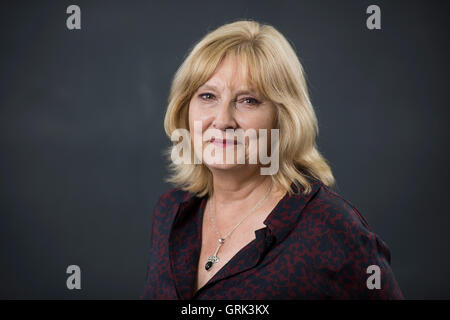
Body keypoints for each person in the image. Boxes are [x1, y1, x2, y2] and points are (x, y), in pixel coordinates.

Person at [140, 19, 403, 299]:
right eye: (207, 96)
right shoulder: (171, 212)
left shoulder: (331, 228)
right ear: (185, 109)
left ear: (283, 118)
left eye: (248, 100)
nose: (223, 120)